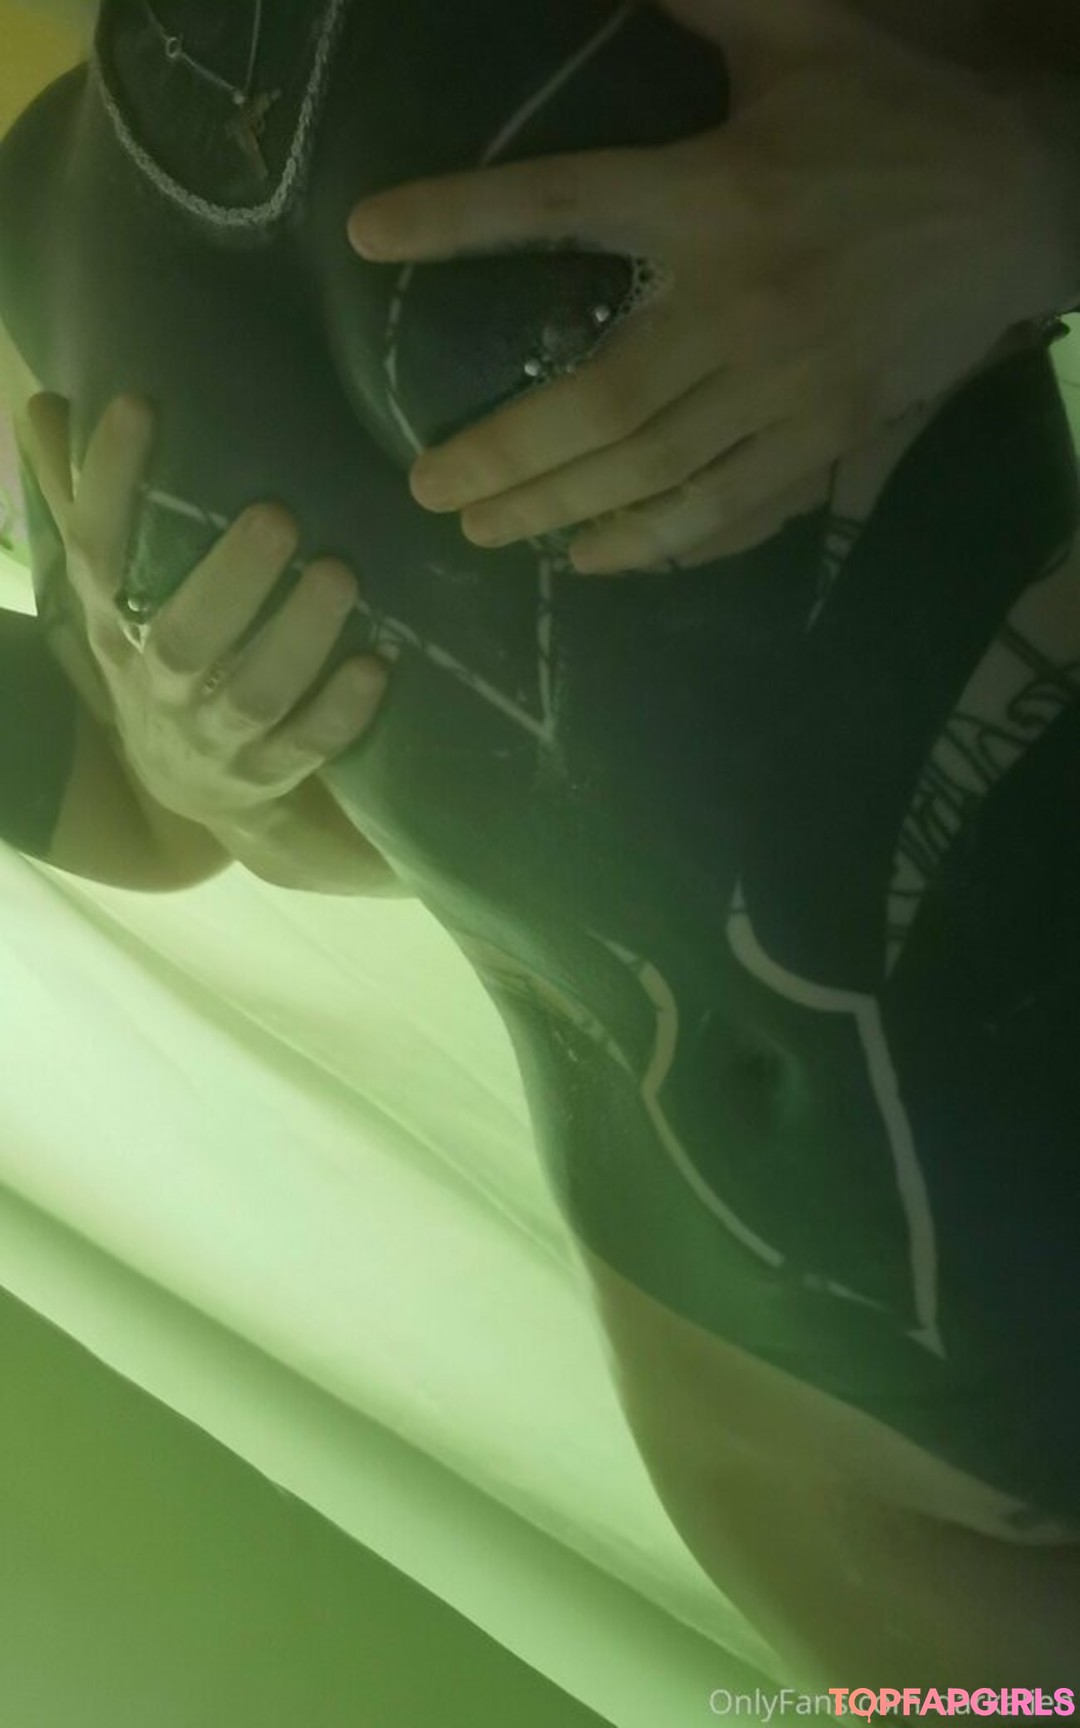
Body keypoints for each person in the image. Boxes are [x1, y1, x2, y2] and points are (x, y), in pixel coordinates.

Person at [2, 0, 1079, 1694]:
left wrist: (1032, 181)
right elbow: (200, 806)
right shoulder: (37, 202)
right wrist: (186, 762)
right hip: (822, 1481)